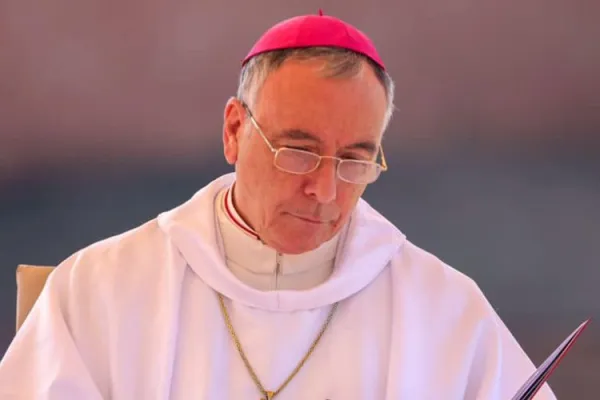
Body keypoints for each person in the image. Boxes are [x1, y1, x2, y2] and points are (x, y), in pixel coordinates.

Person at [0, 11, 555, 400]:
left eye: (355, 161)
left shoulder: (446, 311)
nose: (326, 191)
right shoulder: (101, 288)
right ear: (235, 131)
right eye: (299, 152)